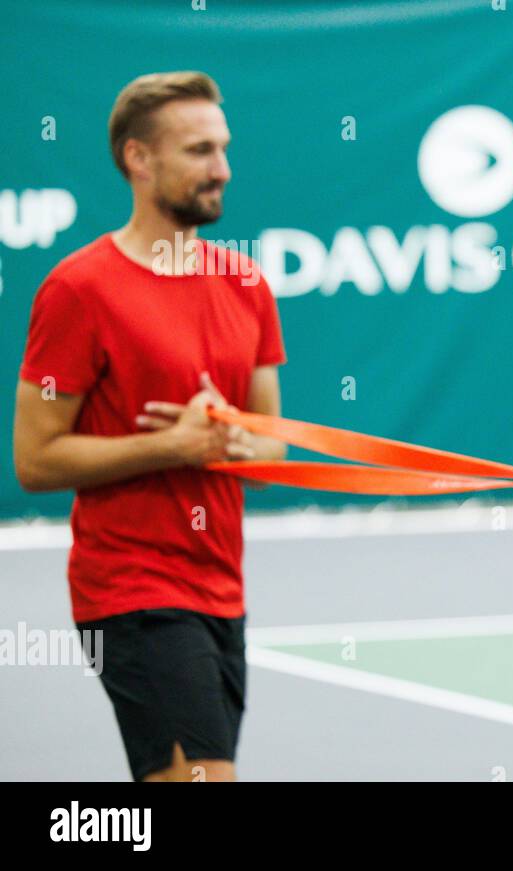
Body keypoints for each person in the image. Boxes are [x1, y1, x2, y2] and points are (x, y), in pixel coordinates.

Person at [13, 71, 286, 782]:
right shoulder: (77, 290)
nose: (221, 169)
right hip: (130, 591)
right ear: (138, 158)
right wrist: (171, 445)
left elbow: (271, 444)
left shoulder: (248, 284)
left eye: (223, 149)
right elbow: (35, 460)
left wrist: (226, 436)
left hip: (222, 589)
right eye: (198, 150)